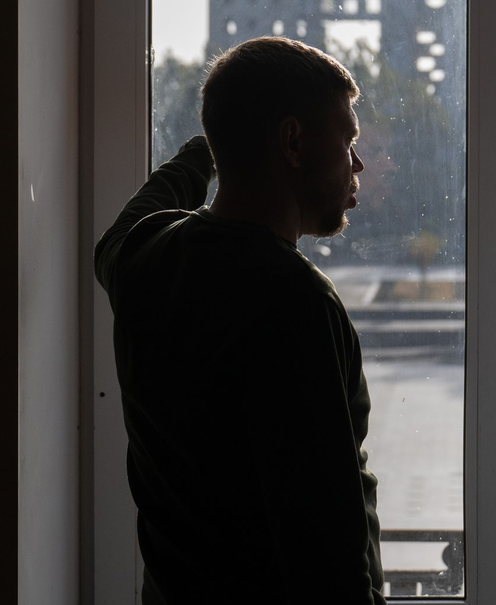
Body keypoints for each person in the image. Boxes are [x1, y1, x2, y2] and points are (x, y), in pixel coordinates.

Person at [94, 37, 384, 604]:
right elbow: (325, 545)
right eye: (348, 140)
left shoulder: (142, 258)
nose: (357, 163)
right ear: (292, 141)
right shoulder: (296, 301)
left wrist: (217, 144)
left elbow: (129, 222)